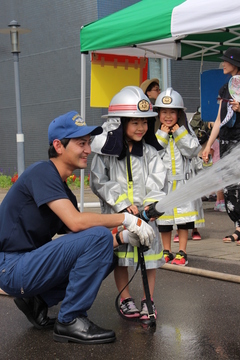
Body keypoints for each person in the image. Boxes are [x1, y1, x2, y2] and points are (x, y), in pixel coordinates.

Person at [0, 111, 155, 345]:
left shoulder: (63, 193)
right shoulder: (42, 172)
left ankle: (37, 301)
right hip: (11, 267)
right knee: (99, 238)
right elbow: (76, 222)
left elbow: (84, 244)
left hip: (27, 265)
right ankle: (70, 320)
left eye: (89, 143)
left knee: (107, 254)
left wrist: (123, 238)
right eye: (81, 143)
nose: (88, 150)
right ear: (58, 146)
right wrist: (125, 219)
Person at [90, 86, 167, 321]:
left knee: (150, 258)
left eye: (144, 122)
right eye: (134, 122)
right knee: (121, 258)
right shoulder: (106, 153)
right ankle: (126, 298)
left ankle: (148, 300)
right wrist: (122, 204)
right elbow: (98, 181)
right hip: (119, 215)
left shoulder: (152, 153)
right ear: (119, 122)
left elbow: (158, 181)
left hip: (145, 216)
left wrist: (151, 205)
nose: (141, 128)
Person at [154, 88, 203, 266]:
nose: (168, 116)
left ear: (179, 114)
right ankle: (166, 250)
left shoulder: (184, 131)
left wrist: (178, 132)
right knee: (164, 220)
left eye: (172, 112)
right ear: (158, 113)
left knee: (184, 220)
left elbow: (192, 150)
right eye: (164, 112)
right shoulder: (155, 134)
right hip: (163, 184)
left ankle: (182, 252)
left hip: (183, 182)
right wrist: (162, 134)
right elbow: (153, 153)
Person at [202, 47, 240, 244]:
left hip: (239, 142)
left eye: (226, 61)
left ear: (235, 64)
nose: (223, 64)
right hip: (225, 141)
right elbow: (218, 119)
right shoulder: (225, 88)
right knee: (229, 186)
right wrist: (209, 145)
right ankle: (238, 226)